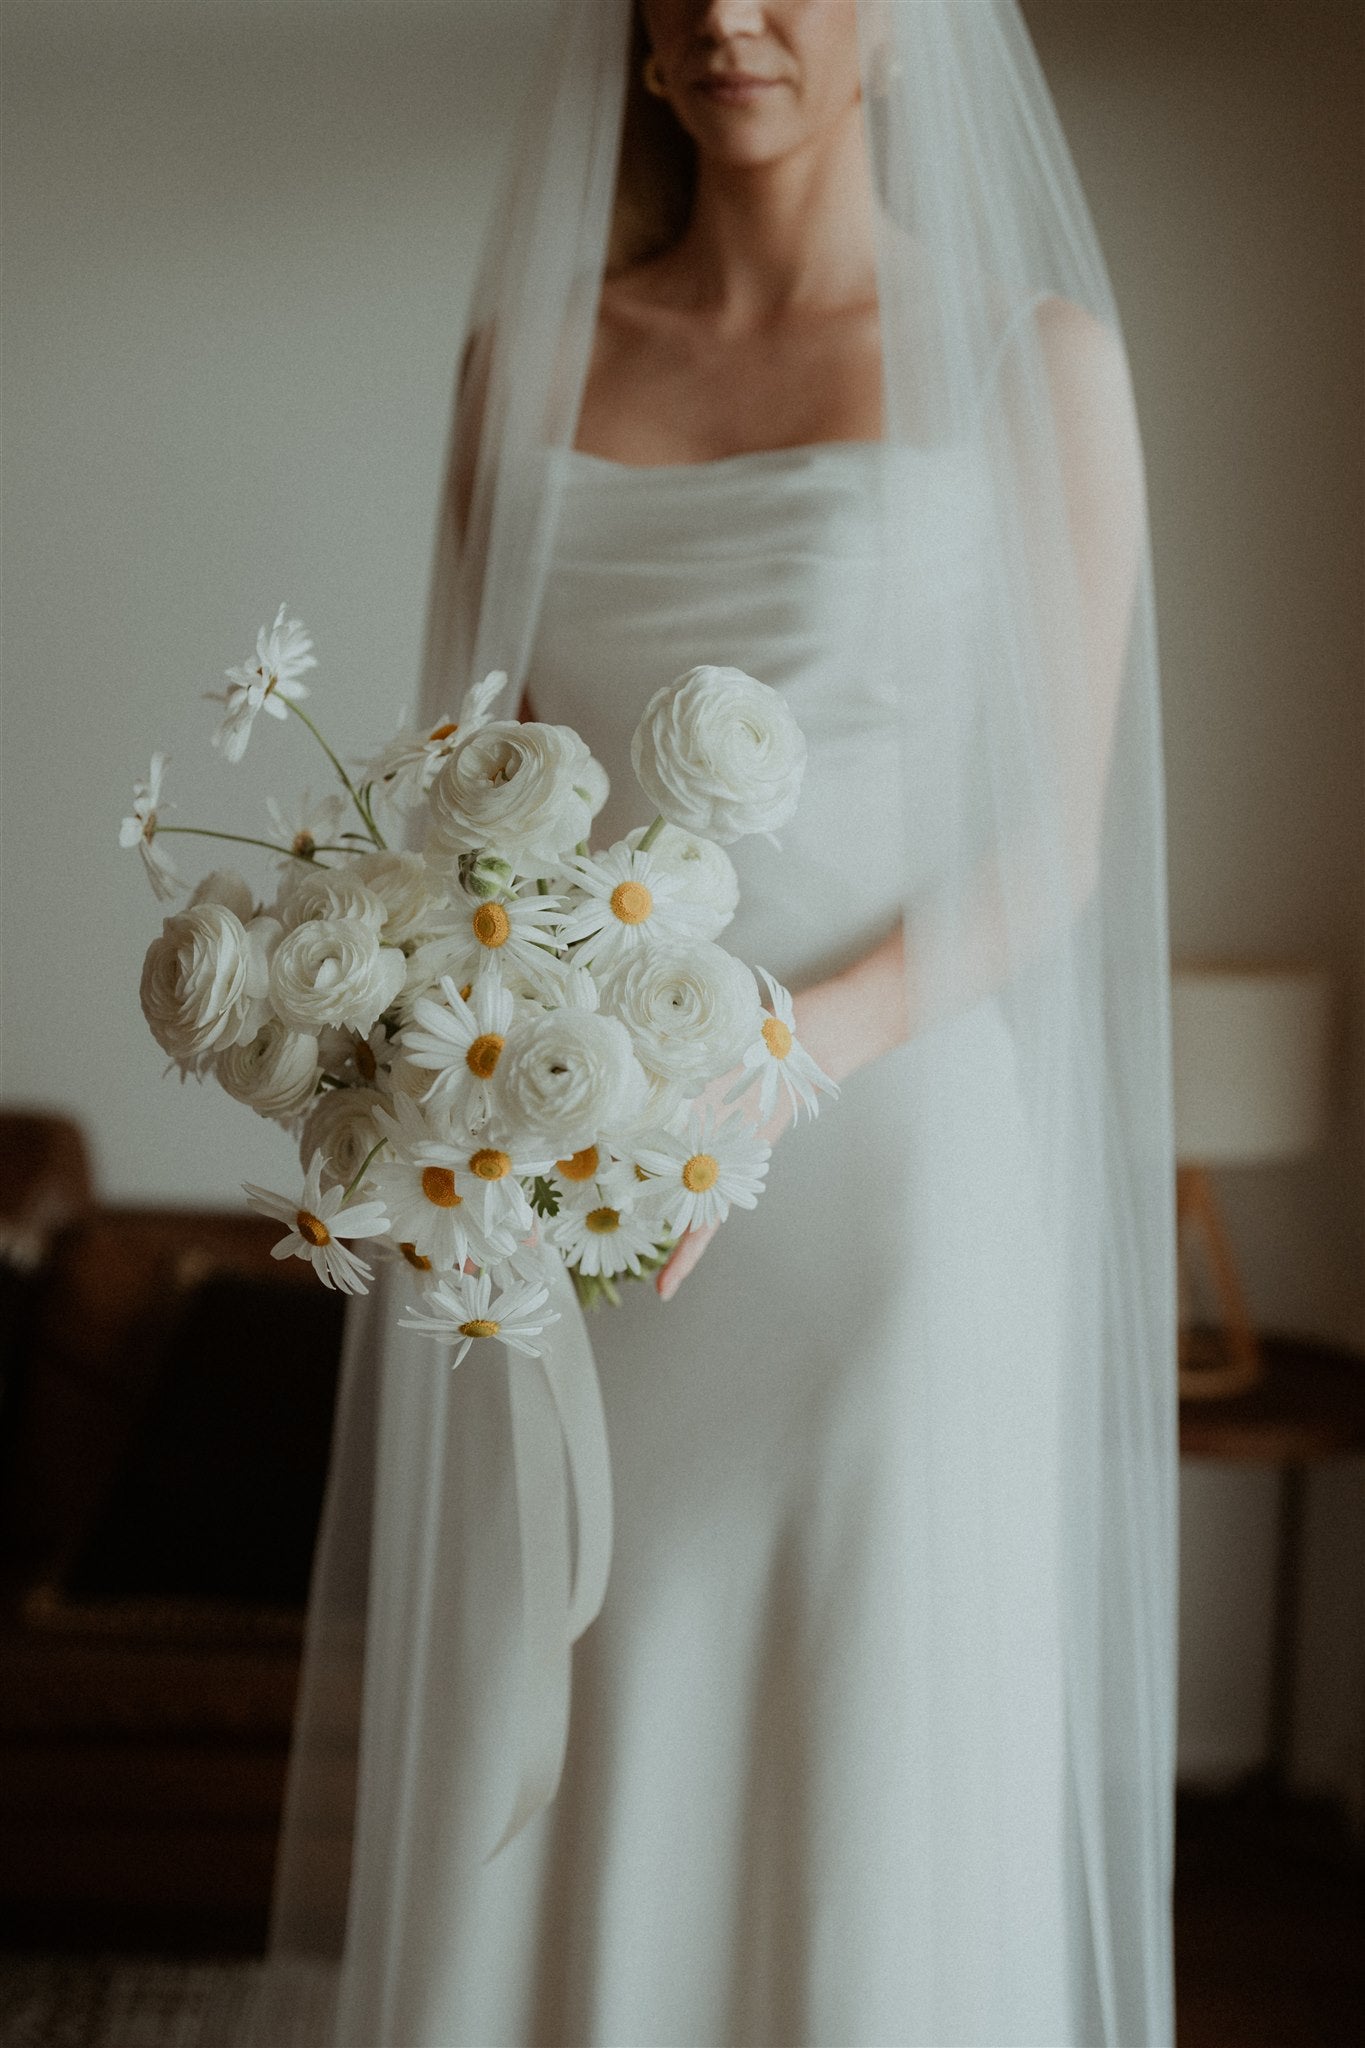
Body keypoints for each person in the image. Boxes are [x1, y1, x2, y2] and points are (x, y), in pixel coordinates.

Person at [256, 4, 1179, 2044]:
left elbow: (1051, 838)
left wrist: (793, 1053)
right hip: (582, 1200)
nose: (724, 13)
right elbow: (454, 795)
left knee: (858, 1770)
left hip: (882, 1200)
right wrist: (411, 1046)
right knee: (567, 1722)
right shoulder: (527, 360)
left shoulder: (1033, 363)